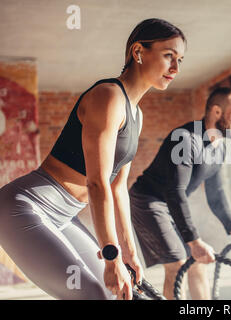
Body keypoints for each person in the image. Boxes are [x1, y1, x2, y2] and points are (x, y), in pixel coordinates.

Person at [0, 18, 186, 300]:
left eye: (180, 60)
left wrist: (128, 254)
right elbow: (97, 183)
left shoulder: (136, 114)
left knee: (113, 293)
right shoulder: (108, 96)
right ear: (138, 52)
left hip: (65, 215)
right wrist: (112, 260)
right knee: (91, 293)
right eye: (168, 56)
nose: (175, 68)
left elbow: (118, 187)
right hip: (24, 207)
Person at [129, 87, 231, 300]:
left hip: (171, 203)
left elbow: (217, 192)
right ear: (216, 112)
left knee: (198, 261)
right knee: (178, 265)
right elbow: (175, 191)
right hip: (148, 200)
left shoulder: (219, 147)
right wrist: (194, 241)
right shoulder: (185, 139)